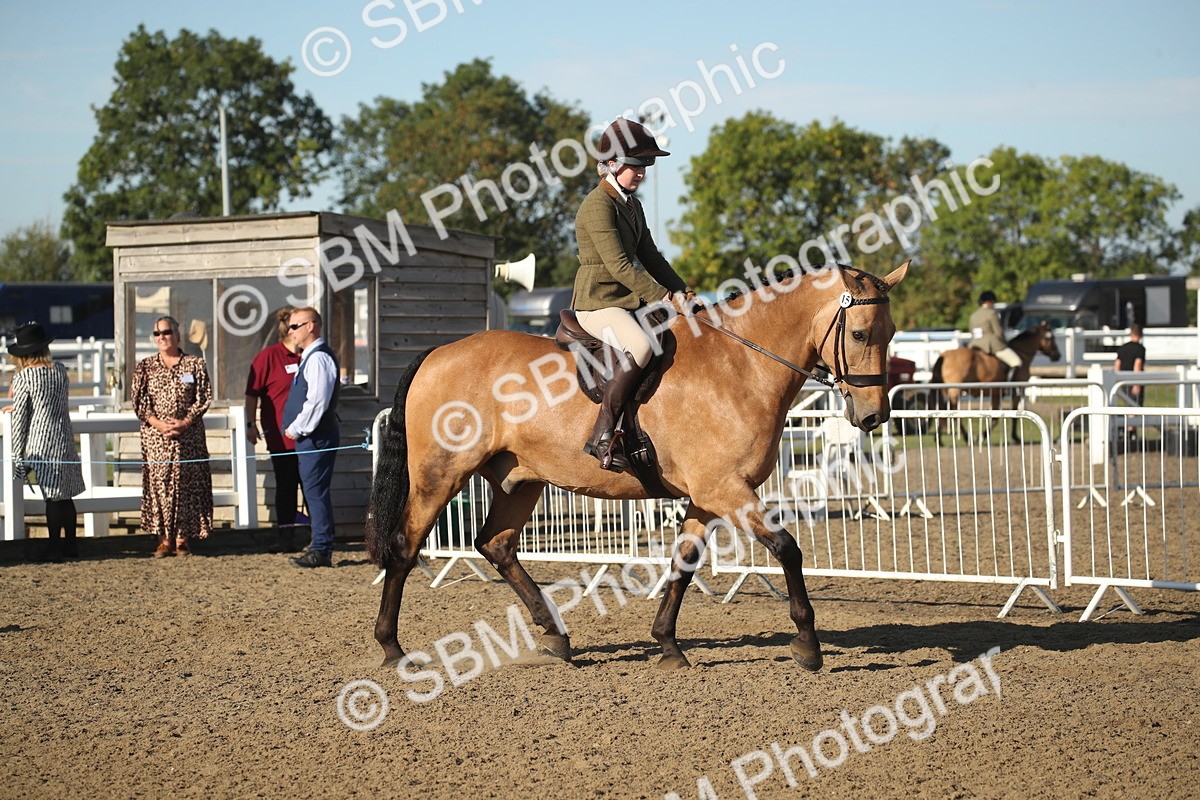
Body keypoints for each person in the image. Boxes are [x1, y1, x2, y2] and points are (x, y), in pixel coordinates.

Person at [572, 116, 693, 471]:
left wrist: (682, 290)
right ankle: (603, 435)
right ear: (611, 164)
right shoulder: (598, 205)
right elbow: (619, 267)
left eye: (646, 166)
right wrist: (664, 297)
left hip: (624, 301)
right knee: (640, 345)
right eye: (635, 165)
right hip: (597, 303)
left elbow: (651, 256)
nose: (641, 173)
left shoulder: (631, 205)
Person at [132, 316, 213, 557]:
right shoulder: (145, 366)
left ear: (177, 334)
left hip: (188, 437)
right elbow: (139, 402)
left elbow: (204, 397)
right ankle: (163, 539)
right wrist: (158, 424)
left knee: (186, 486)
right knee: (159, 485)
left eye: (166, 332)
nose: (161, 337)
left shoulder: (195, 364)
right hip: (157, 438)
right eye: (156, 333)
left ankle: (182, 539)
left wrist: (185, 422)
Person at [4, 323, 86, 562]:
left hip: (41, 440)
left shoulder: (24, 377)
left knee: (51, 496)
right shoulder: (59, 370)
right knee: (66, 495)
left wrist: (17, 452)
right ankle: (70, 544)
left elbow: (21, 418)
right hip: (64, 437)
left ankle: (53, 546)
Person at [282, 307, 339, 568]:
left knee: (315, 493)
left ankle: (321, 548)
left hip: (316, 437)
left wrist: (298, 428)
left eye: (294, 326)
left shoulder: (318, 359)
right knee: (313, 492)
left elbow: (317, 401)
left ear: (310, 326)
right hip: (311, 437)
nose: (289, 331)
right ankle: (319, 544)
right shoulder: (309, 357)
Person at [245, 308, 304, 552]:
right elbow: (252, 394)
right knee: (286, 485)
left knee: (313, 488)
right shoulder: (268, 357)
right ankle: (286, 535)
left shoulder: (310, 356)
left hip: (310, 435)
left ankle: (318, 537)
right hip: (282, 437)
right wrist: (251, 423)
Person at [969, 291, 1022, 381]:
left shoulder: (973, 315)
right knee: (1016, 362)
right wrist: (1005, 342)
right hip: (991, 346)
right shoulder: (992, 313)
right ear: (989, 302)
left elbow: (971, 332)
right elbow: (999, 332)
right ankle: (1010, 387)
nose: (994, 304)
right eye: (993, 302)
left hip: (974, 345)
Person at [1114, 322, 1147, 405]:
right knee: (1135, 405)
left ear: (1130, 333)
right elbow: (1137, 364)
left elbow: (1117, 364)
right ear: (1141, 334)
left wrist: (1116, 379)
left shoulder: (1122, 348)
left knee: (1128, 403)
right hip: (1134, 380)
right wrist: (1136, 383)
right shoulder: (1140, 349)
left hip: (1123, 379)